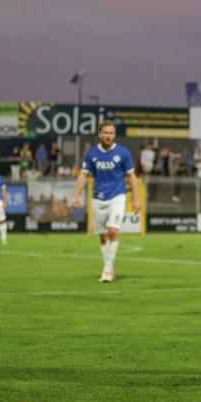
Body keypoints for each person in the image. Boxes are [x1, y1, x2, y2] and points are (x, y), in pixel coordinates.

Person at [73, 120, 141, 282]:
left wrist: (136, 199)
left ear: (114, 135)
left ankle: (107, 270)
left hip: (117, 196)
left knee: (113, 232)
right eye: (105, 132)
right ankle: (108, 267)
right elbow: (84, 174)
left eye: (111, 133)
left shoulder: (123, 153)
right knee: (103, 236)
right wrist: (76, 195)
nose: (108, 135)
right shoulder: (91, 154)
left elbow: (131, 176)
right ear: (99, 134)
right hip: (98, 198)